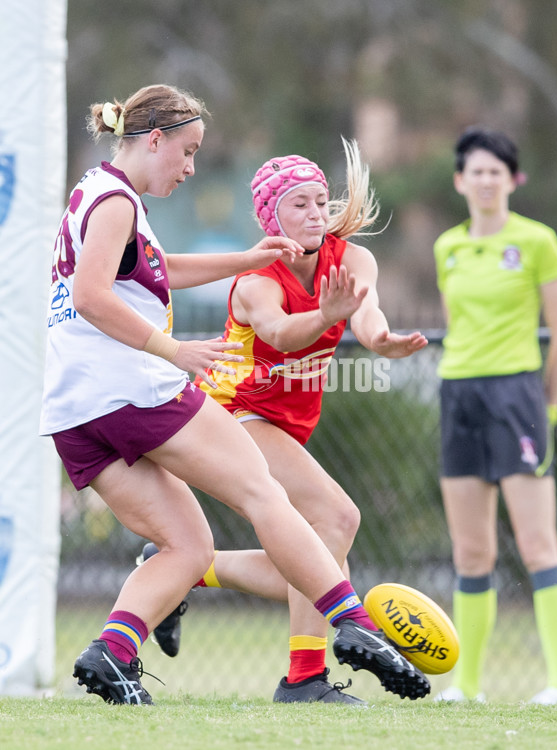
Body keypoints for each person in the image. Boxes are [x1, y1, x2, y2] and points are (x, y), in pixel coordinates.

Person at [40, 84, 431, 706]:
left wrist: (245, 257)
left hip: (74, 409)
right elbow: (92, 297)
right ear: (155, 139)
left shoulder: (94, 191)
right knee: (265, 494)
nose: (192, 167)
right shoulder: (118, 202)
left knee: (188, 547)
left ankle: (111, 654)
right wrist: (172, 351)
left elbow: (155, 268)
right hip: (134, 391)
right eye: (188, 151)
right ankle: (353, 628)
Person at [137, 137, 429, 704]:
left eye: (321, 200)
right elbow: (279, 334)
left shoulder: (352, 260)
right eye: (300, 203)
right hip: (230, 414)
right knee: (338, 519)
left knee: (315, 561)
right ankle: (303, 680)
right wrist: (326, 313)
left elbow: (367, 316)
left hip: (281, 422)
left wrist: (382, 342)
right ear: (270, 214)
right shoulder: (257, 280)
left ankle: (181, 570)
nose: (317, 212)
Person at [432, 127, 557, 705]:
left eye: (498, 171)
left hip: (518, 397)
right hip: (457, 393)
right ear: (460, 181)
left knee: (539, 544)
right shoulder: (447, 247)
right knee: (471, 552)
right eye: (477, 171)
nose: (487, 180)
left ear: (513, 180)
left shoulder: (538, 241)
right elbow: (456, 322)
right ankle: (466, 687)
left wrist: (549, 405)